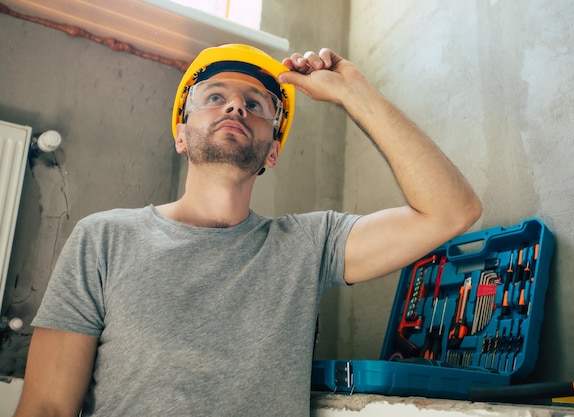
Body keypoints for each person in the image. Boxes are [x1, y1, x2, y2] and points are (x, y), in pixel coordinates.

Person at [13, 44, 482, 416]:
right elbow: (47, 407)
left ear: (272, 152)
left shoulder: (309, 245)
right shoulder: (103, 238)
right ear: (181, 133)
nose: (235, 105)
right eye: (214, 96)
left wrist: (355, 94)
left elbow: (452, 211)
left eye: (256, 104)